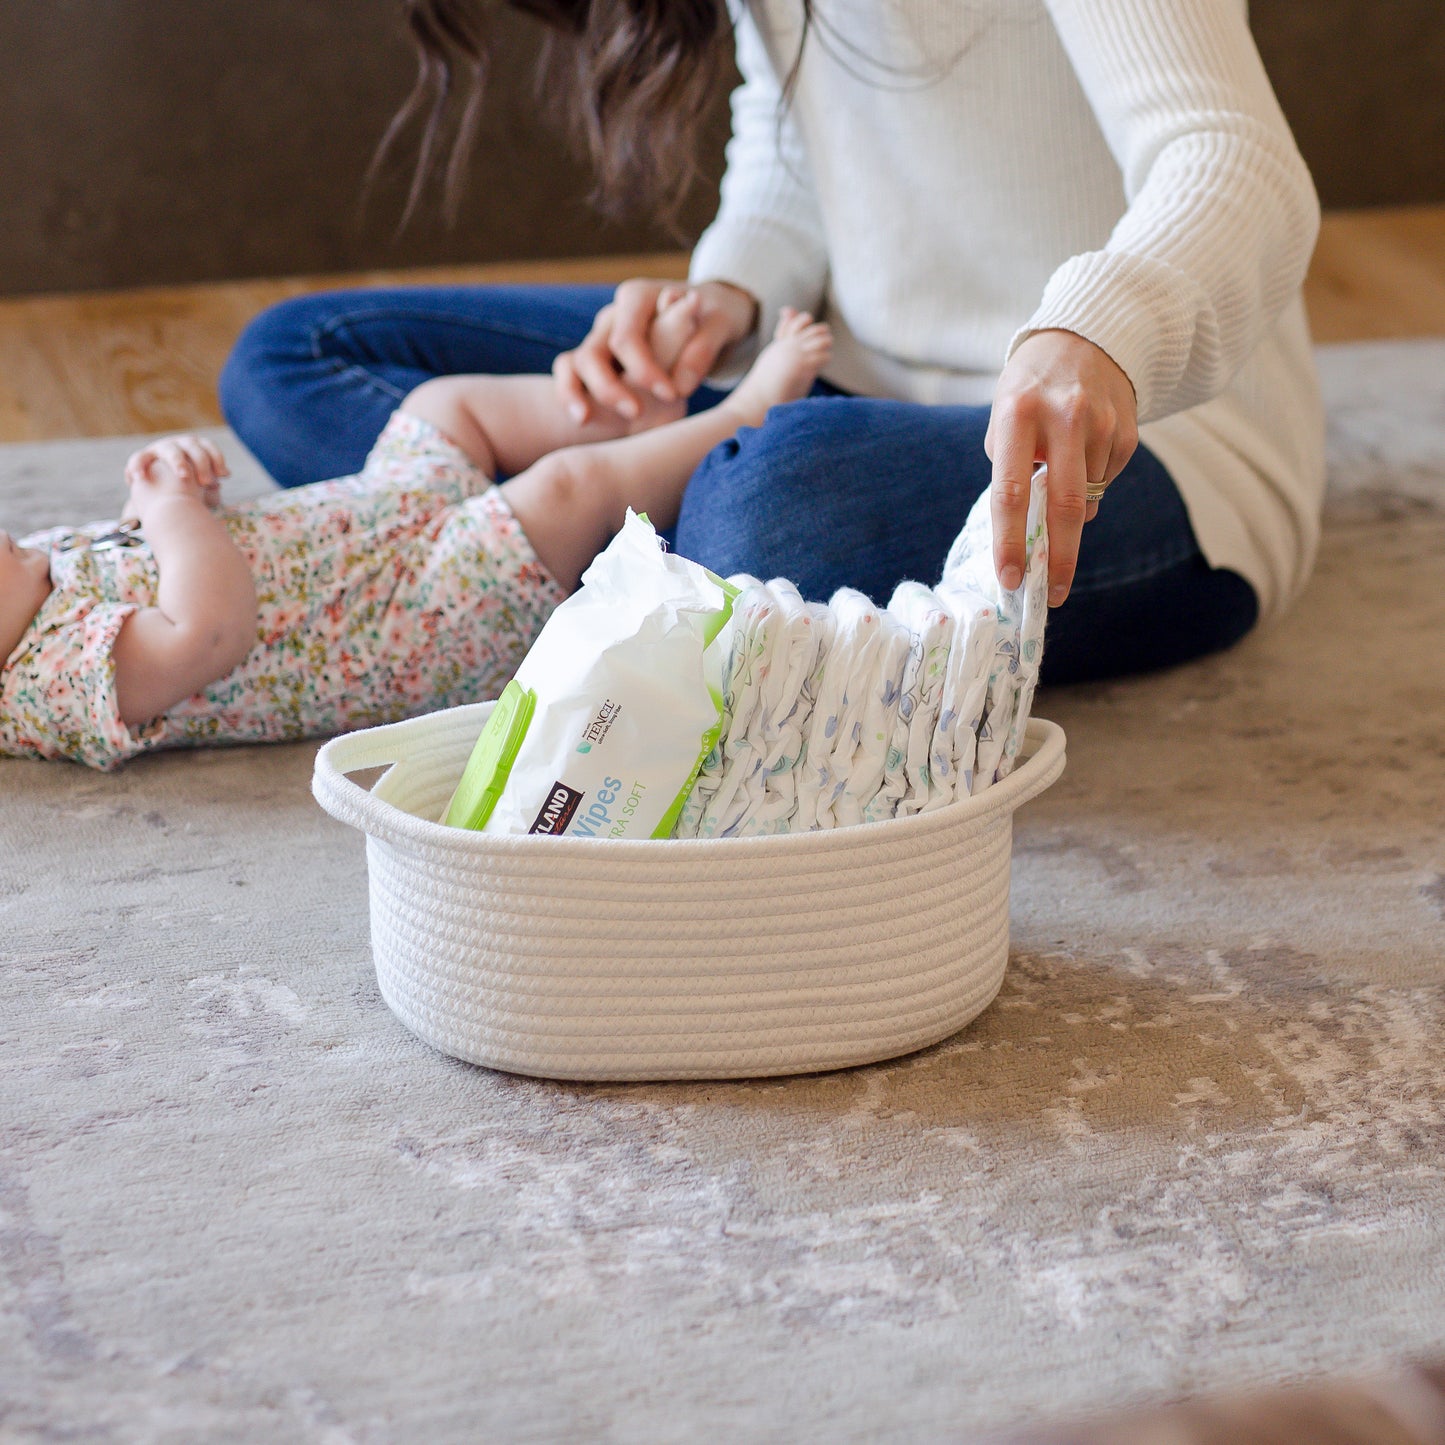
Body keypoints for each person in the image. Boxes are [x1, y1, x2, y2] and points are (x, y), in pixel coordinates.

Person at [219, 0, 1325, 688]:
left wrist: (1096, 328)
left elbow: (1231, 163)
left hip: (1146, 440)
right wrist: (726, 295)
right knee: (296, 356)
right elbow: (792, 143)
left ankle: (486, 574)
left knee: (770, 508)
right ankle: (578, 579)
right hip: (826, 366)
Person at [0, 305, 832, 770]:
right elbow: (206, 631)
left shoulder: (26, 577)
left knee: (444, 407)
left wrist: (161, 491)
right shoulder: (51, 677)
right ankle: (733, 417)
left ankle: (628, 414)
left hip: (365, 518)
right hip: (406, 615)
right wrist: (174, 507)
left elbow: (146, 556)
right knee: (561, 492)